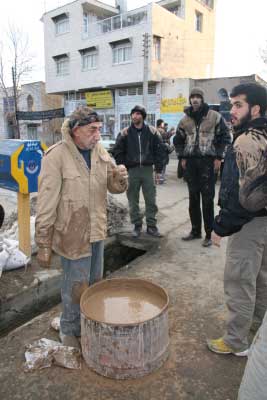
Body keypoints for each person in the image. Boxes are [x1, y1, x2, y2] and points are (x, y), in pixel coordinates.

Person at [35, 106, 128, 349]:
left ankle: (88, 324)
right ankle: (69, 328)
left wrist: (120, 178)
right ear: (76, 131)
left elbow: (114, 187)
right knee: (75, 285)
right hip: (72, 233)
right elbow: (46, 202)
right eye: (92, 130)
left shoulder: (99, 151)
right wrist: (43, 242)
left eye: (99, 129)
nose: (98, 135)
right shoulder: (56, 156)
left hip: (97, 229)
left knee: (94, 282)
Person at [207, 83, 267, 356]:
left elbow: (237, 194)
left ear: (255, 109)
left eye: (238, 105)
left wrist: (221, 227)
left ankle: (235, 342)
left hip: (249, 223)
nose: (232, 110)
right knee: (260, 279)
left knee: (239, 281)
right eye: (231, 104)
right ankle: (256, 333)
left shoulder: (245, 141)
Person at [173, 87, 231, 247]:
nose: (195, 100)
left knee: (207, 200)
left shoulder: (214, 116)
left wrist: (219, 157)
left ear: (202, 99)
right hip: (191, 163)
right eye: (193, 97)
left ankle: (208, 234)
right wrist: (182, 156)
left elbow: (226, 137)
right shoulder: (185, 120)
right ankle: (195, 231)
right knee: (193, 199)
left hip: (208, 162)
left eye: (198, 97)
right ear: (190, 100)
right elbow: (178, 140)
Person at [113, 105, 163, 238]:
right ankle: (137, 225)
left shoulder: (152, 132)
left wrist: (158, 170)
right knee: (132, 200)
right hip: (132, 171)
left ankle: (151, 226)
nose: (134, 116)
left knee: (151, 199)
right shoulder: (125, 133)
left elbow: (159, 151)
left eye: (137, 114)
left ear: (143, 116)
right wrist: (122, 166)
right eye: (133, 114)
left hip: (147, 170)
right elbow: (117, 151)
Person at [156, 118, 173, 184]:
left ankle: (159, 179)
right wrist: (171, 132)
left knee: (159, 165)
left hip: (159, 150)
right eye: (163, 123)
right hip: (162, 150)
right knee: (162, 165)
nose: (164, 125)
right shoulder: (160, 130)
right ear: (160, 124)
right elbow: (165, 136)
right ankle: (160, 180)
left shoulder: (157, 130)